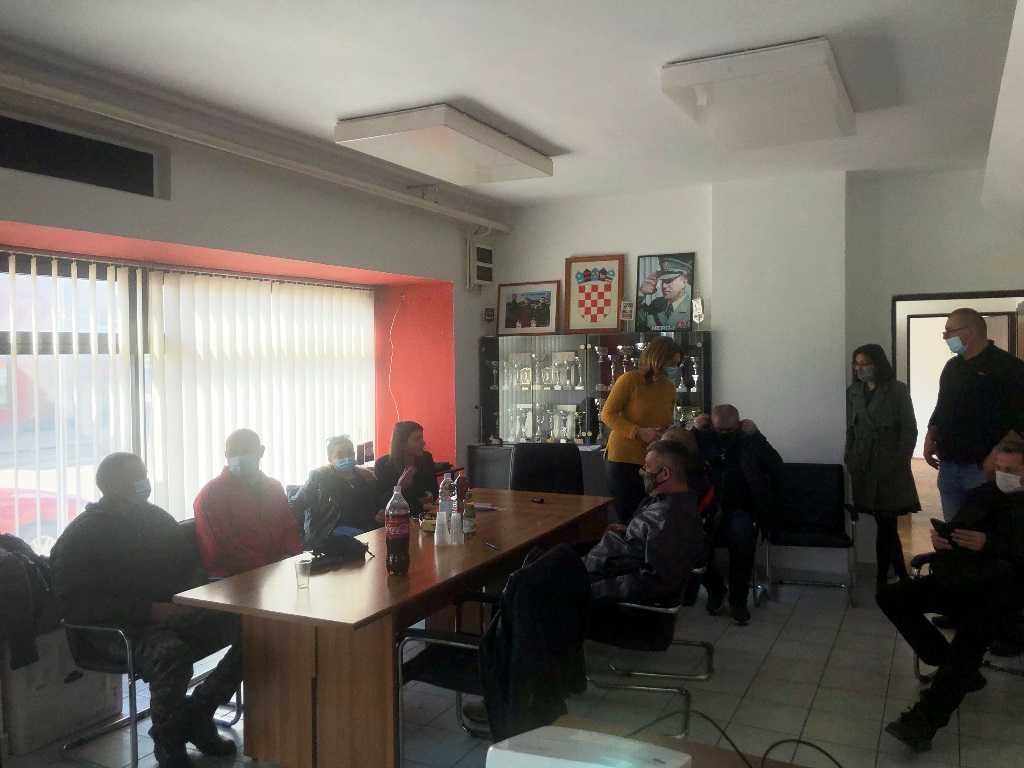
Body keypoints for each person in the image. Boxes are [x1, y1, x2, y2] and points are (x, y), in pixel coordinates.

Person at [49, 453, 241, 768]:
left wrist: (192, 594)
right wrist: (149, 610)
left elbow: (189, 562)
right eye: (138, 476)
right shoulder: (82, 536)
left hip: (174, 612)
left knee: (253, 626)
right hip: (117, 630)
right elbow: (75, 603)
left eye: (145, 474)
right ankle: (169, 743)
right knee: (171, 653)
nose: (145, 482)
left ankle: (200, 713)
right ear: (114, 485)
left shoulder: (154, 518)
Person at [878, 440, 1024, 752]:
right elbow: (959, 532)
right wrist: (943, 541)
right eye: (999, 469)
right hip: (965, 580)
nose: (1002, 475)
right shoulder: (983, 494)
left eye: (1011, 470)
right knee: (891, 597)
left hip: (1007, 594)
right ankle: (952, 666)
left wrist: (989, 543)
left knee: (973, 633)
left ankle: (923, 721)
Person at [924, 308, 1024, 521]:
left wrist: (997, 453)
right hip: (948, 465)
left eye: (949, 331)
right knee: (953, 531)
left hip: (983, 467)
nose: (945, 337)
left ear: (970, 331)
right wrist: (930, 436)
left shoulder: (1009, 367)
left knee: (981, 531)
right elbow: (942, 407)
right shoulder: (952, 367)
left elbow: (1020, 419)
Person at [693, 404, 786, 626]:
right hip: (706, 509)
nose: (724, 434)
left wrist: (757, 436)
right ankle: (716, 589)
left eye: (729, 430)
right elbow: (679, 456)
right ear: (711, 424)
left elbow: (777, 467)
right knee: (688, 543)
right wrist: (694, 431)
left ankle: (738, 601)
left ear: (739, 424)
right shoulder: (703, 439)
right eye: (719, 430)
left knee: (743, 540)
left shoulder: (748, 441)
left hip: (739, 508)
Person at [587, 440, 708, 606]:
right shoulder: (680, 500)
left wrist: (592, 590)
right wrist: (629, 530)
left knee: (555, 564)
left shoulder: (669, 519)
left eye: (647, 466)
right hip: (608, 557)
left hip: (602, 576)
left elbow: (654, 581)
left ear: (664, 473)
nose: (642, 471)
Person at [846, 344, 920, 592]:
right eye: (856, 364)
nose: (860, 369)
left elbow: (909, 429)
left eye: (865, 363)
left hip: (889, 463)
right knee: (884, 523)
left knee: (887, 522)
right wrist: (850, 458)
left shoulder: (897, 390)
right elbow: (851, 430)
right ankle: (898, 574)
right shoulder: (854, 392)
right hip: (863, 464)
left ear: (878, 364)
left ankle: (886, 576)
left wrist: (900, 462)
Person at [193, 429, 302, 577]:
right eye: (232, 453)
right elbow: (223, 549)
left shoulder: (273, 487)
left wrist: (289, 556)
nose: (238, 458)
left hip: (277, 571)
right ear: (226, 455)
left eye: (245, 451)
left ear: (261, 451)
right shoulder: (212, 493)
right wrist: (268, 571)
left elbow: (290, 528)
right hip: (231, 578)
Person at [600, 336, 682, 525]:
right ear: (658, 359)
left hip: (653, 462)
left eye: (677, 364)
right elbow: (607, 414)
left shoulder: (669, 387)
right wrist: (638, 431)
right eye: (672, 363)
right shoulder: (629, 380)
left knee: (650, 519)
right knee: (629, 520)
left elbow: (666, 419)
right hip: (623, 460)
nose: (674, 368)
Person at [289, 434, 384, 550]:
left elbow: (373, 510)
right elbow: (294, 506)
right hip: (328, 539)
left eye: (350, 453)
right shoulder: (318, 479)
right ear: (330, 459)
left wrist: (378, 516)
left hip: (365, 536)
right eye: (340, 454)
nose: (347, 457)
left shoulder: (365, 479)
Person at [374, 421, 439, 520]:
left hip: (424, 516)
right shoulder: (383, 464)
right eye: (417, 439)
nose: (423, 443)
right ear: (402, 444)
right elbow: (381, 502)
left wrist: (431, 495)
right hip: (397, 518)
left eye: (422, 438)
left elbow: (434, 490)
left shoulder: (426, 458)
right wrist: (400, 487)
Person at [636, 256, 693, 331]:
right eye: (663, 281)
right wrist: (641, 293)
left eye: (669, 280)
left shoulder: (693, 307)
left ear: (684, 282)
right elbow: (633, 320)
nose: (664, 286)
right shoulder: (657, 304)